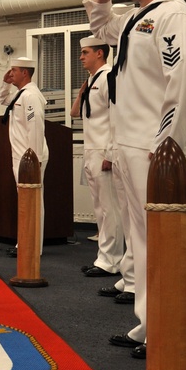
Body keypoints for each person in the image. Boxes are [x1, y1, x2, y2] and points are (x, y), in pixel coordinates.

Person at [84, 0, 186, 360]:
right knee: (142, 241)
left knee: (163, 243)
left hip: (154, 150)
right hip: (130, 144)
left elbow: (183, 81)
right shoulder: (138, 16)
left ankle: (175, 335)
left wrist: (167, 144)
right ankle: (152, 324)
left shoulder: (173, 16)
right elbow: (104, 29)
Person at [70, 37, 125, 281]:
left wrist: (111, 154)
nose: (81, 57)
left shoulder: (109, 77)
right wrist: (83, 89)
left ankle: (111, 261)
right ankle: (103, 257)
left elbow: (117, 117)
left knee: (109, 208)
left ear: (100, 54)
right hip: (91, 149)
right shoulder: (92, 80)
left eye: (85, 52)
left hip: (104, 151)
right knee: (100, 209)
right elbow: (76, 114)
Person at [0, 56, 49, 258]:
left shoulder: (31, 96)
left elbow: (35, 127)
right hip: (21, 158)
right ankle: (25, 243)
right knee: (26, 203)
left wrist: (33, 160)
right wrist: (5, 83)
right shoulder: (21, 94)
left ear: (25, 73)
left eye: (14, 70)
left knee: (34, 202)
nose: (11, 73)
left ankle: (33, 246)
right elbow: (3, 100)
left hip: (30, 159)